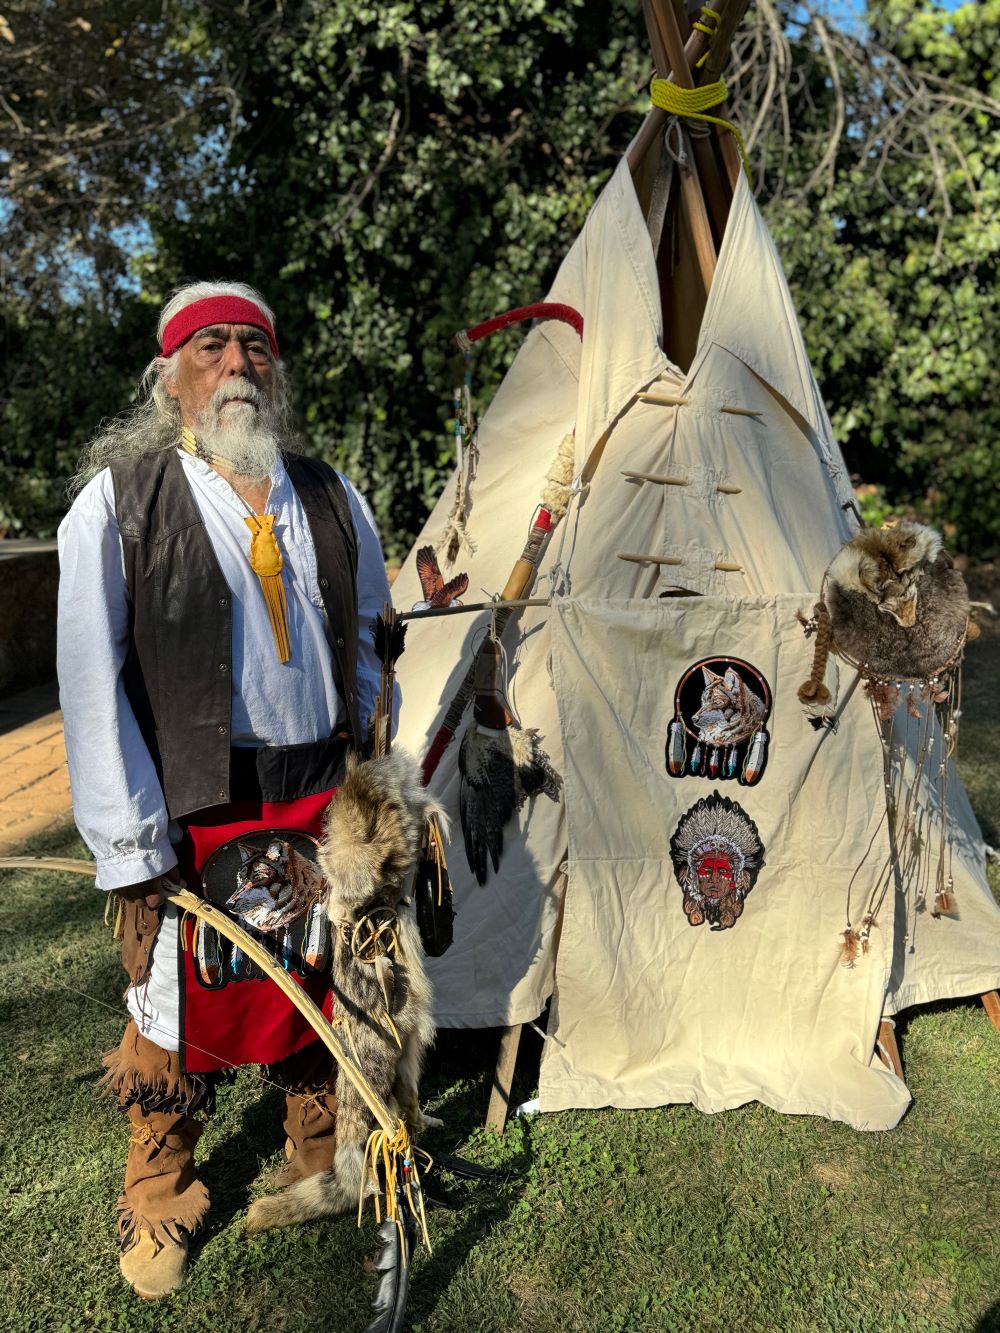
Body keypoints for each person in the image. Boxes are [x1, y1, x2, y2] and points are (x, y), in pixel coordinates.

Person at [57, 281, 394, 1298]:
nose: (236, 364)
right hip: (192, 805)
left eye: (254, 347)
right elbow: (88, 676)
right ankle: (158, 1191)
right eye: (210, 348)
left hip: (315, 796)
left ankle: (315, 1144)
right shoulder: (120, 502)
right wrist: (129, 841)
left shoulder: (331, 497)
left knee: (309, 981)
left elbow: (371, 641)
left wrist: (372, 781)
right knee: (176, 1005)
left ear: (275, 370)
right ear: (170, 380)